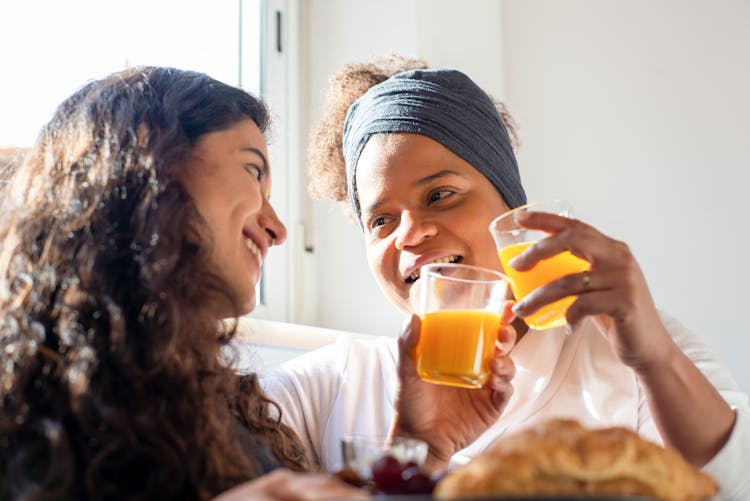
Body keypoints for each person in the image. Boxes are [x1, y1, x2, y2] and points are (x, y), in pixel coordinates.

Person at [261, 55, 750, 500]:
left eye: (439, 195)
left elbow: (731, 486)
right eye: (381, 221)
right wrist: (420, 450)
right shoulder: (330, 385)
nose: (408, 234)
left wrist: (656, 358)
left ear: (513, 213)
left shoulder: (635, 352)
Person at [0, 66, 366, 500]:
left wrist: (421, 444)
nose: (278, 229)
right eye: (253, 171)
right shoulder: (20, 394)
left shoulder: (222, 406)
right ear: (148, 154)